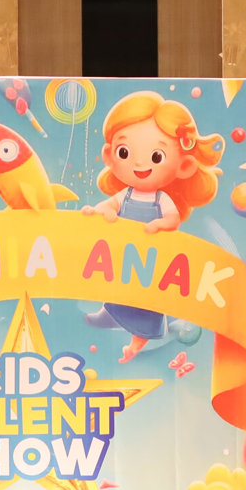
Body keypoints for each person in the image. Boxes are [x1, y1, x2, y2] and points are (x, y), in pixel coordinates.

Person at [83, 92, 225, 362]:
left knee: (148, 304)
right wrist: (102, 211)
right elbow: (108, 205)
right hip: (126, 261)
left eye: (156, 156)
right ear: (109, 156)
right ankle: (110, 314)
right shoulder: (124, 195)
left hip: (152, 263)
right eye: (124, 152)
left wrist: (159, 223)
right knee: (119, 291)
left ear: (183, 166)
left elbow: (173, 219)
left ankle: (136, 343)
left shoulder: (162, 199)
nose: (139, 163)